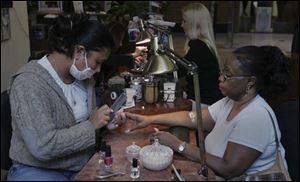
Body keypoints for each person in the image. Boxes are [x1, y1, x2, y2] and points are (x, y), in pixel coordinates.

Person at [124, 46, 290, 179]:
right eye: (222, 72)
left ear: (250, 82)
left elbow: (228, 169)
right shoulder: (231, 101)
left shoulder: (255, 116)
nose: (220, 78)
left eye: (228, 75)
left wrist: (179, 145)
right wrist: (149, 119)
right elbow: (193, 118)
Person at [7, 14, 125, 181]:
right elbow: (43, 146)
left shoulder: (84, 79)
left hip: (80, 166)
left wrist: (105, 123)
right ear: (80, 51)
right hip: (38, 171)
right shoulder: (29, 83)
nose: (98, 70)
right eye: (97, 62)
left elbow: (83, 126)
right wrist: (92, 125)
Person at [178, 3, 223, 106]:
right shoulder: (203, 44)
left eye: (184, 21)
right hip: (207, 102)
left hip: (204, 105)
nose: (181, 25)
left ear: (195, 24)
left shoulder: (199, 48)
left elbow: (177, 72)